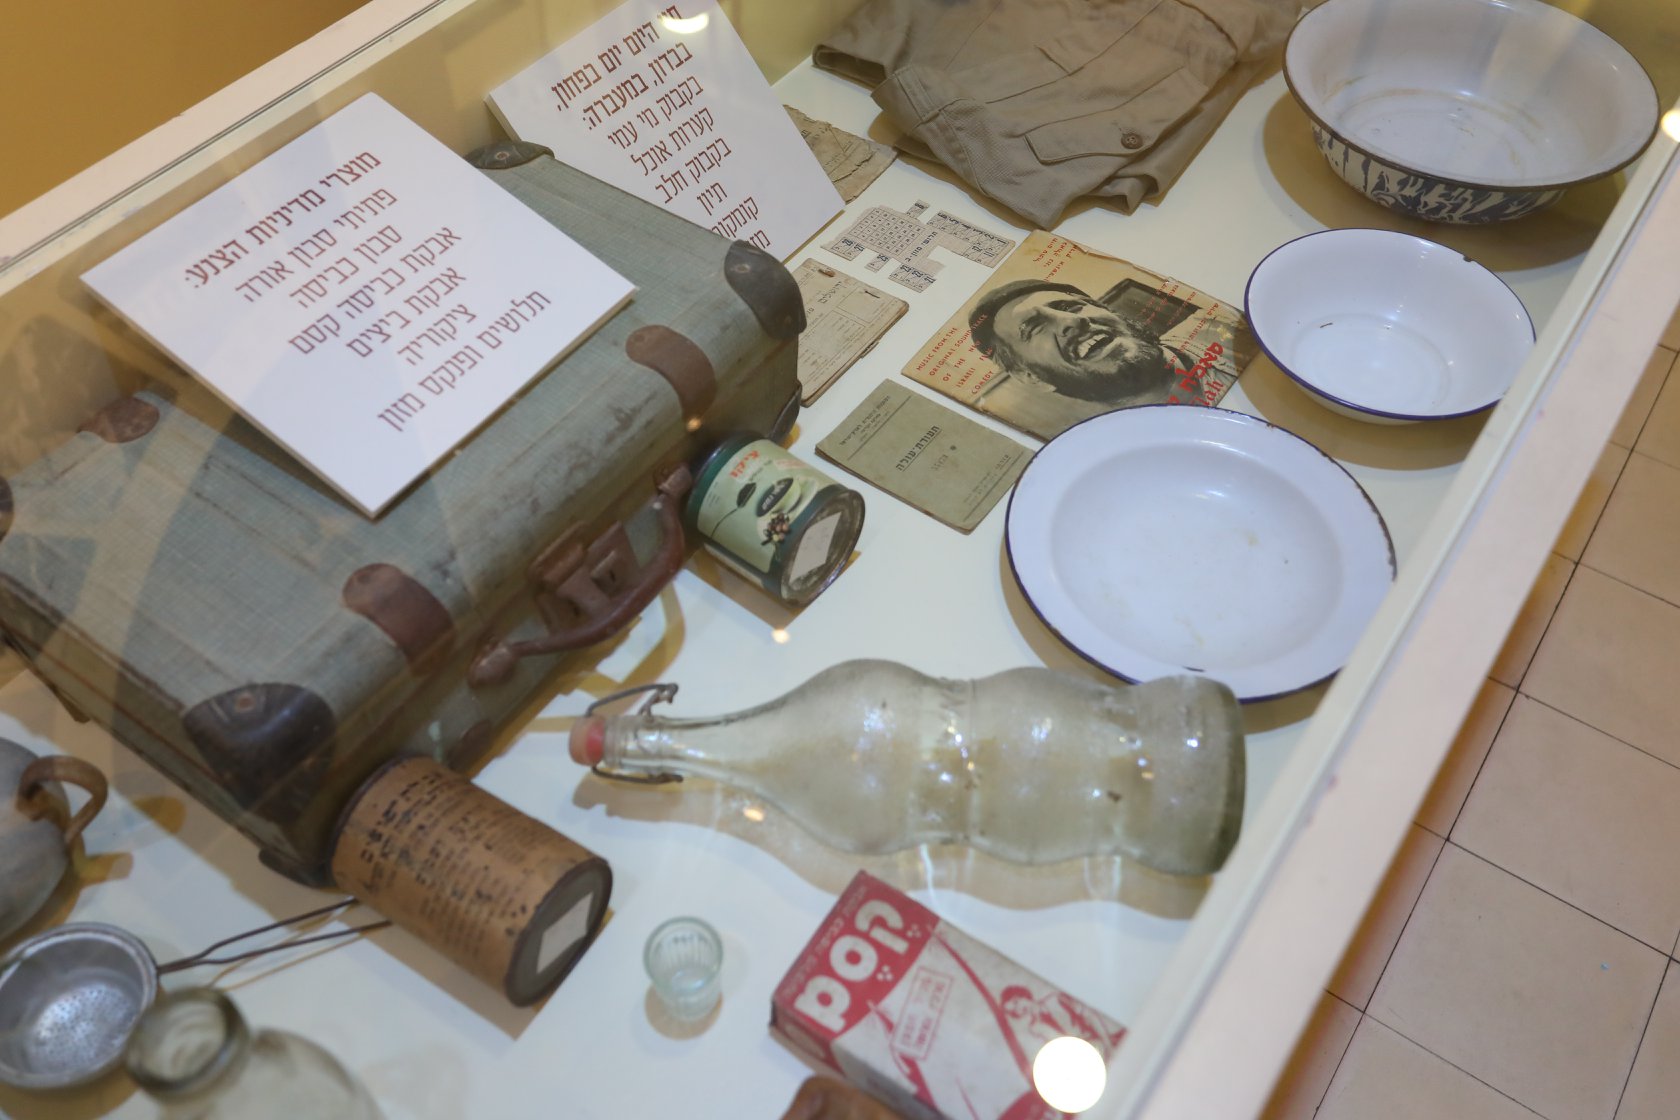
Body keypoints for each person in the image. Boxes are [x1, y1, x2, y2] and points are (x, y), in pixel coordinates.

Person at [968, 279, 1217, 411]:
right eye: (1034, 327)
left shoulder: (1220, 328)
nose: (1072, 321)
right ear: (1031, 377)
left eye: (1070, 307)